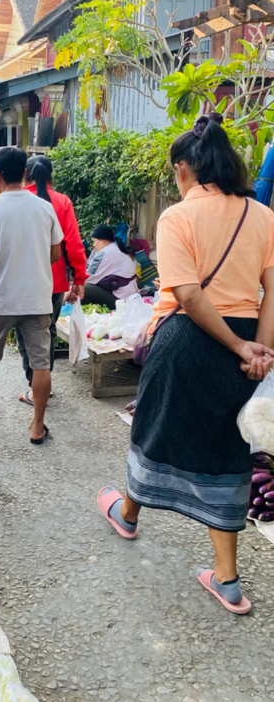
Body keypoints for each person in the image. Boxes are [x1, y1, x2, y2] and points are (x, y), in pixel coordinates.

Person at [98, 113, 274, 615]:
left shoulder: (177, 217)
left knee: (155, 428)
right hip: (243, 336)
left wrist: (242, 349)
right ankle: (227, 579)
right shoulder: (264, 217)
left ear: (182, 170)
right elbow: (272, 292)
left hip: (190, 340)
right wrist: (258, 349)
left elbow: (191, 297)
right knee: (227, 446)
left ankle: (128, 513)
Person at [0, 147, 62, 445]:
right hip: (38, 298)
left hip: (0, 298)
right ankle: (37, 426)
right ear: (25, 173)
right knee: (41, 363)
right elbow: (55, 253)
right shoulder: (44, 207)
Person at [18, 156, 87, 404]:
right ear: (51, 176)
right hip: (54, 282)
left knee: (25, 333)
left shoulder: (16, 199)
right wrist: (79, 278)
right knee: (47, 331)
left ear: (25, 173)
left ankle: (34, 385)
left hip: (21, 281)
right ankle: (44, 384)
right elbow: (73, 243)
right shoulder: (61, 202)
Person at [83, 225, 138, 309]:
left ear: (103, 240)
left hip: (121, 299)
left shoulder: (105, 253)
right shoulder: (117, 248)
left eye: (94, 241)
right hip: (129, 295)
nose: (94, 245)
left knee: (82, 288)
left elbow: (89, 276)